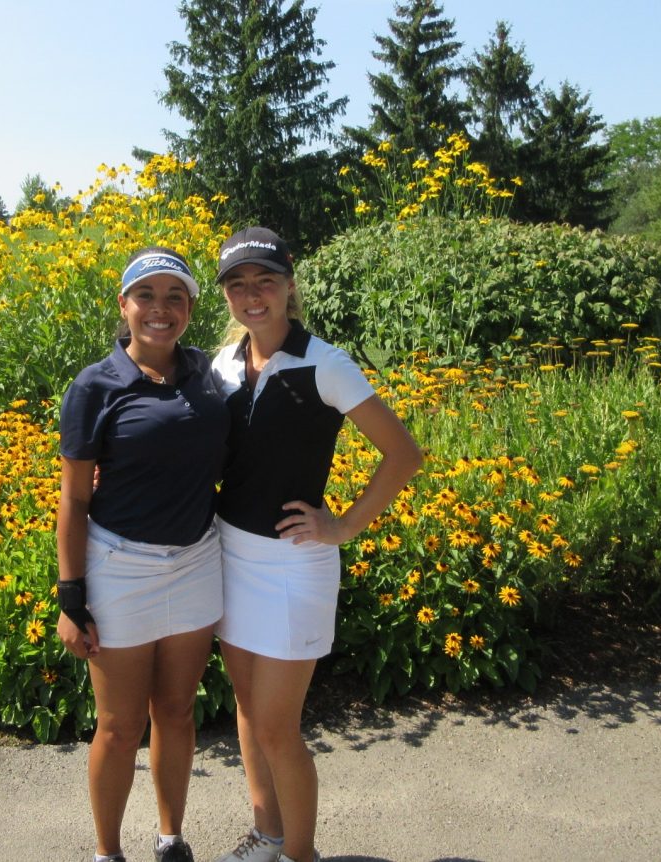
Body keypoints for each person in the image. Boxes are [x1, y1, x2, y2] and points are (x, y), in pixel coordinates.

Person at [210, 227, 423, 862]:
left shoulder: (325, 363)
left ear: (288, 285)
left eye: (265, 281)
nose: (253, 295)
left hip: (293, 567)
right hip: (228, 555)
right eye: (238, 284)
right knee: (248, 711)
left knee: (278, 728)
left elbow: (403, 454)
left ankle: (300, 855)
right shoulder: (222, 365)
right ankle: (267, 836)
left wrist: (344, 525)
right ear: (226, 295)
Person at [55, 246, 230, 862]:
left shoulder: (206, 373)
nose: (161, 308)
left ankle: (170, 838)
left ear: (190, 309)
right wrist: (71, 598)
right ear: (124, 305)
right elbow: (74, 499)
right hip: (120, 568)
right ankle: (107, 853)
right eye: (146, 296)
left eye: (175, 296)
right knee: (119, 726)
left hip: (196, 562)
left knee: (177, 712)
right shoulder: (94, 386)